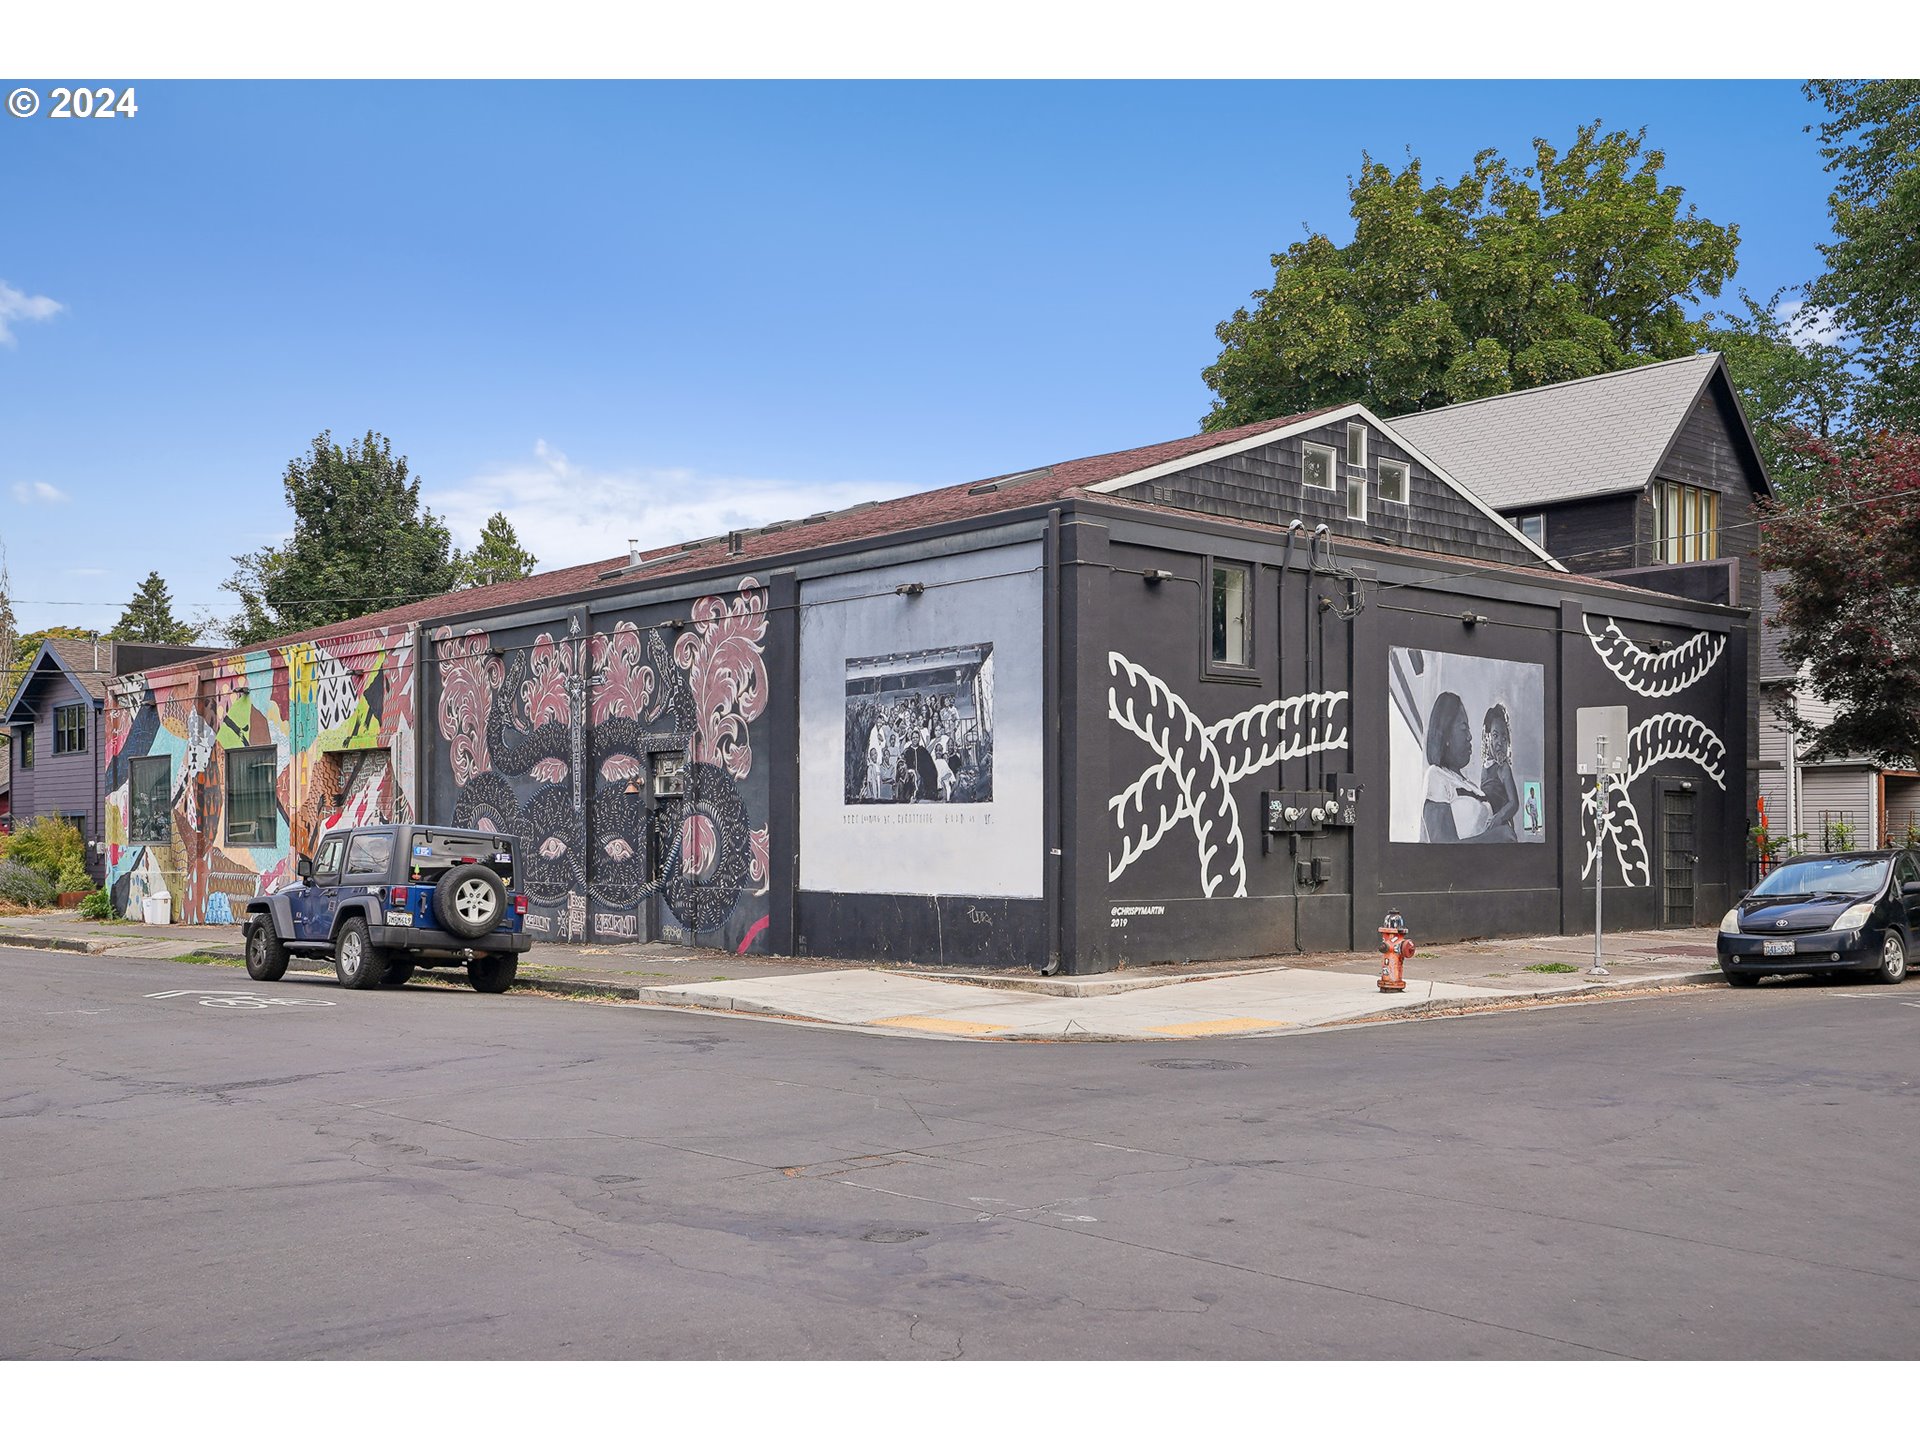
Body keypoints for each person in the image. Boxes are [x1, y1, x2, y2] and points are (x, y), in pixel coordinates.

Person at [1421, 691, 1491, 842]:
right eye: (1464, 728)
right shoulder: (1437, 775)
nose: (1470, 736)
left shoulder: (1471, 786)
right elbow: (1442, 847)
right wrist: (1494, 837)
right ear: (1446, 735)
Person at [1476, 701, 1521, 842]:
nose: (1500, 742)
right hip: (1490, 830)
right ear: (1487, 736)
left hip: (1503, 829)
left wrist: (1498, 818)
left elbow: (1514, 804)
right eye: (1495, 736)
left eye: (1504, 737)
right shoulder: (1485, 768)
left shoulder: (1503, 768)